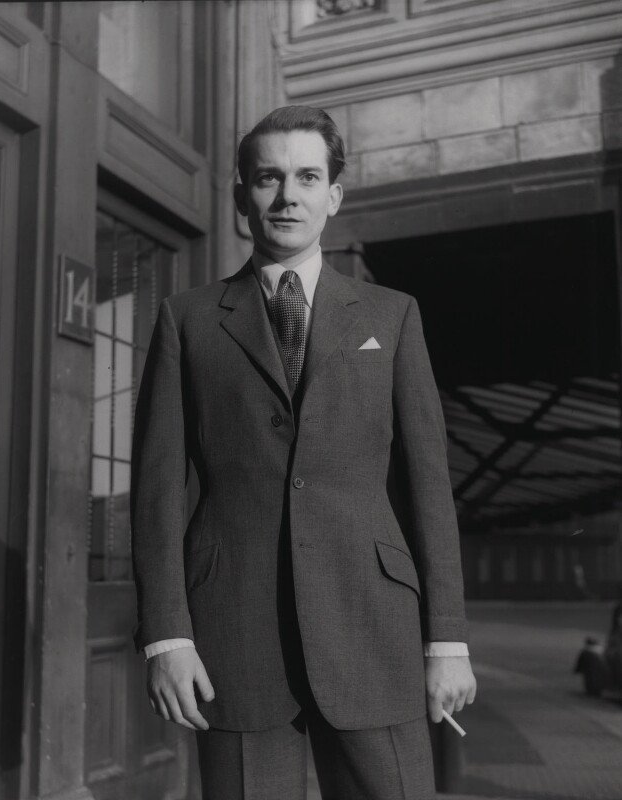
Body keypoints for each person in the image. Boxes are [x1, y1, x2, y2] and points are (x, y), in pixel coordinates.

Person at [130, 105, 476, 800]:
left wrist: (447, 641)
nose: (288, 196)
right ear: (242, 197)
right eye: (269, 178)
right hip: (232, 634)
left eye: (308, 178)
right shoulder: (187, 320)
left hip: (373, 628)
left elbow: (428, 487)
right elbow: (157, 491)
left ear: (334, 195)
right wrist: (167, 637)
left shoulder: (392, 316)